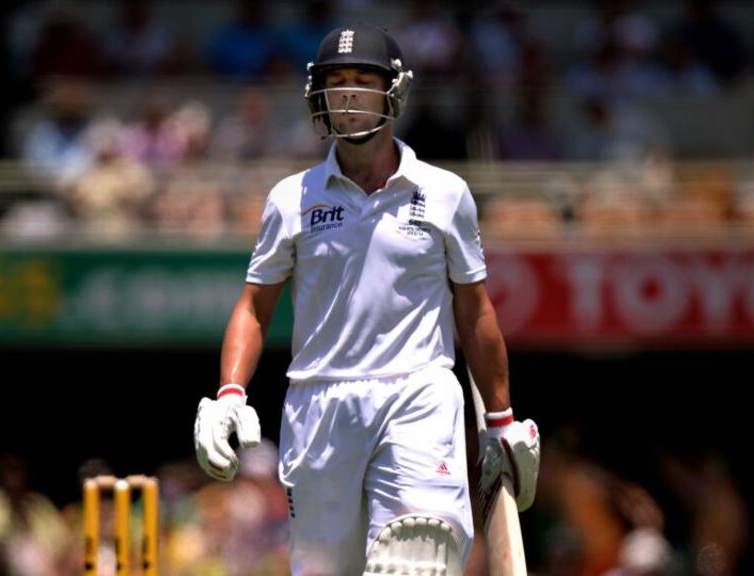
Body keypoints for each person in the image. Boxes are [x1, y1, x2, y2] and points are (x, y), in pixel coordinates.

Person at [193, 24, 541, 575]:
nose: (349, 93)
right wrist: (228, 395)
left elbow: (474, 310)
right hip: (319, 406)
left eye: (363, 80)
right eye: (337, 82)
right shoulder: (292, 199)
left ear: (395, 92)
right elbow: (255, 307)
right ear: (318, 95)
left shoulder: (446, 193)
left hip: (418, 392)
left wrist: (500, 419)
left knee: (417, 553)